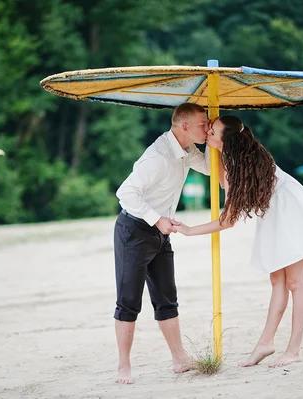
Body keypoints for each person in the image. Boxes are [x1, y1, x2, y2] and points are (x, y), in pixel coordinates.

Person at [174, 115, 303, 368]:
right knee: (277, 279)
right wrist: (215, 152)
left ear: (228, 139)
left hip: (290, 209)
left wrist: (189, 231)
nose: (208, 133)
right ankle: (266, 343)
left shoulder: (243, 162)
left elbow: (228, 220)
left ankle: (294, 349)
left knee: (296, 282)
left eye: (212, 131)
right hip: (274, 212)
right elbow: (225, 184)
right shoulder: (232, 158)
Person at [113, 103, 210, 384]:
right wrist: (157, 220)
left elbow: (209, 168)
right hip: (134, 230)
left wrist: (218, 139)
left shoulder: (187, 150)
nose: (206, 128)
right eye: (203, 124)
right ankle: (123, 366)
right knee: (129, 301)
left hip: (160, 231)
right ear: (184, 127)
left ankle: (179, 360)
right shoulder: (157, 156)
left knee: (167, 298)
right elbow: (125, 192)